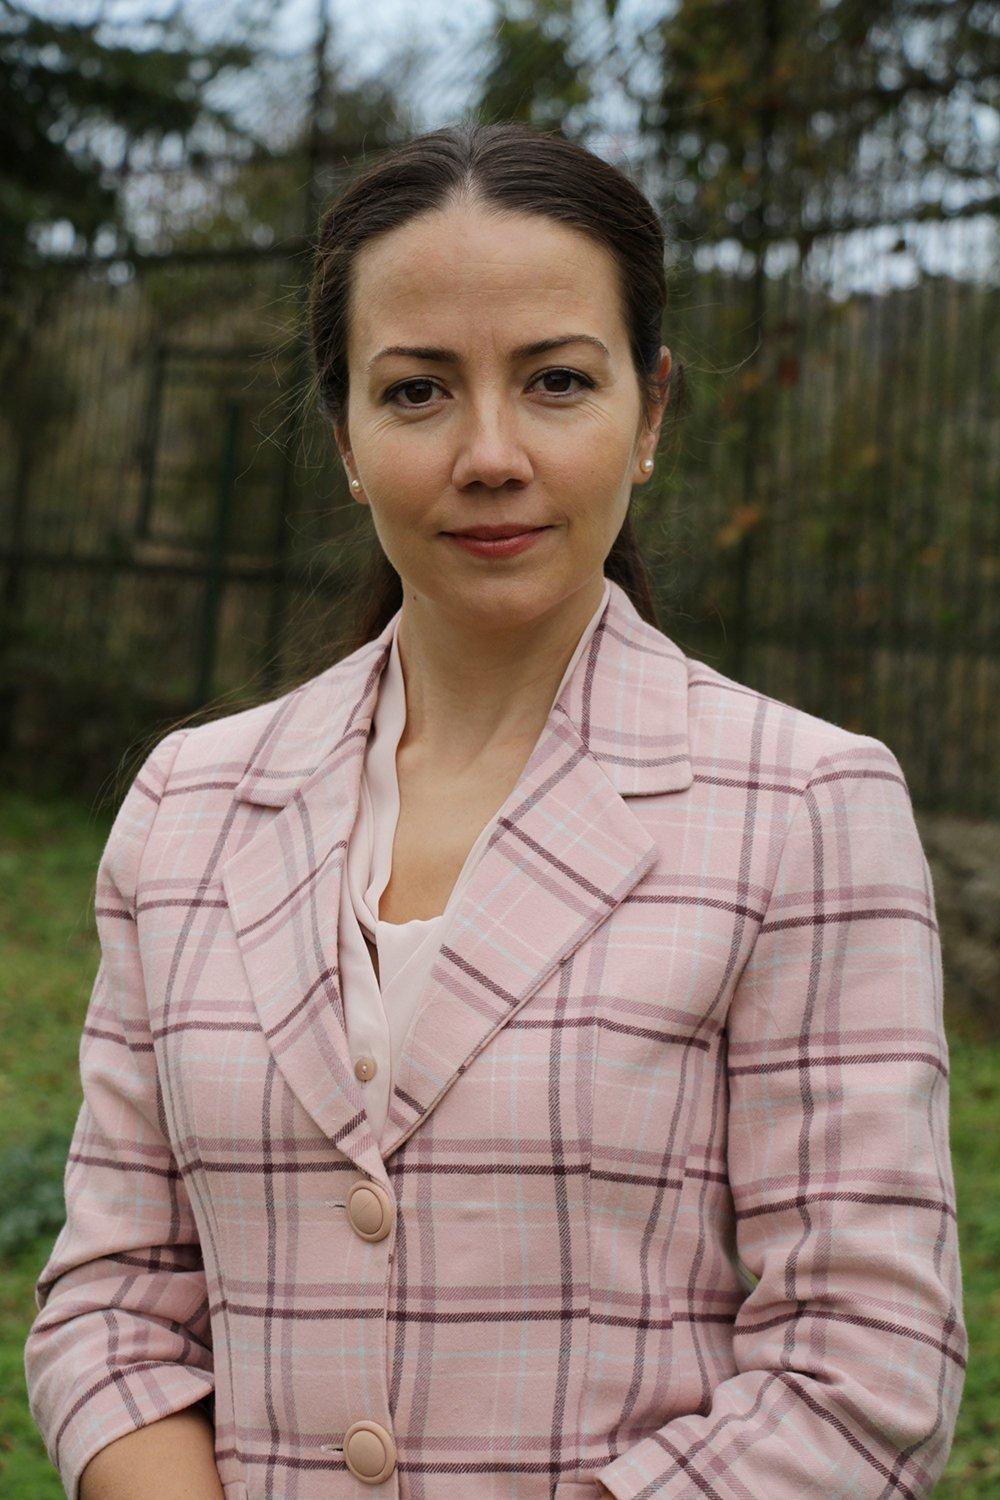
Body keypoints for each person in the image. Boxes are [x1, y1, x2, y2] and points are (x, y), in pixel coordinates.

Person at [25, 121, 965, 1500]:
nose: (489, 453)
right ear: (345, 436)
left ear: (650, 414)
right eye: (416, 392)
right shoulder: (188, 806)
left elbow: (867, 1371)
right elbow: (113, 1306)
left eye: (557, 381)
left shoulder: (805, 808)